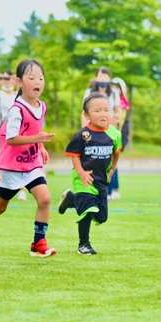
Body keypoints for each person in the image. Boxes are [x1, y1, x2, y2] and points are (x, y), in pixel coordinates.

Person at [0, 60, 56, 261]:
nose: (38, 82)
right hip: (10, 167)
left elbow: (35, 130)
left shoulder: (42, 106)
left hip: (31, 163)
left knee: (45, 199)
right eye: (32, 78)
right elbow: (11, 138)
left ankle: (38, 244)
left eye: (41, 78)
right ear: (19, 82)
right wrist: (37, 139)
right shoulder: (17, 109)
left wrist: (40, 147)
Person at [57, 92, 122, 254]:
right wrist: (81, 173)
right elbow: (74, 155)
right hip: (84, 179)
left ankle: (71, 199)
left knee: (101, 217)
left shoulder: (115, 134)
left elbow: (116, 151)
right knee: (88, 211)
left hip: (102, 180)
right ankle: (83, 245)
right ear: (86, 115)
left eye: (106, 110)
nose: (103, 114)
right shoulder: (83, 135)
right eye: (97, 111)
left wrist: (113, 168)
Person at [0, 70, 23, 200]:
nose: (7, 81)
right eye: (4, 78)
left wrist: (17, 82)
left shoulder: (18, 93)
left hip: (16, 129)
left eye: (9, 78)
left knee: (17, 157)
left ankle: (20, 189)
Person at [108, 77, 130, 200]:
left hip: (116, 134)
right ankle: (115, 189)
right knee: (112, 163)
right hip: (113, 133)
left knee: (112, 163)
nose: (114, 89)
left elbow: (118, 120)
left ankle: (112, 190)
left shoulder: (121, 103)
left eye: (117, 87)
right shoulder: (111, 99)